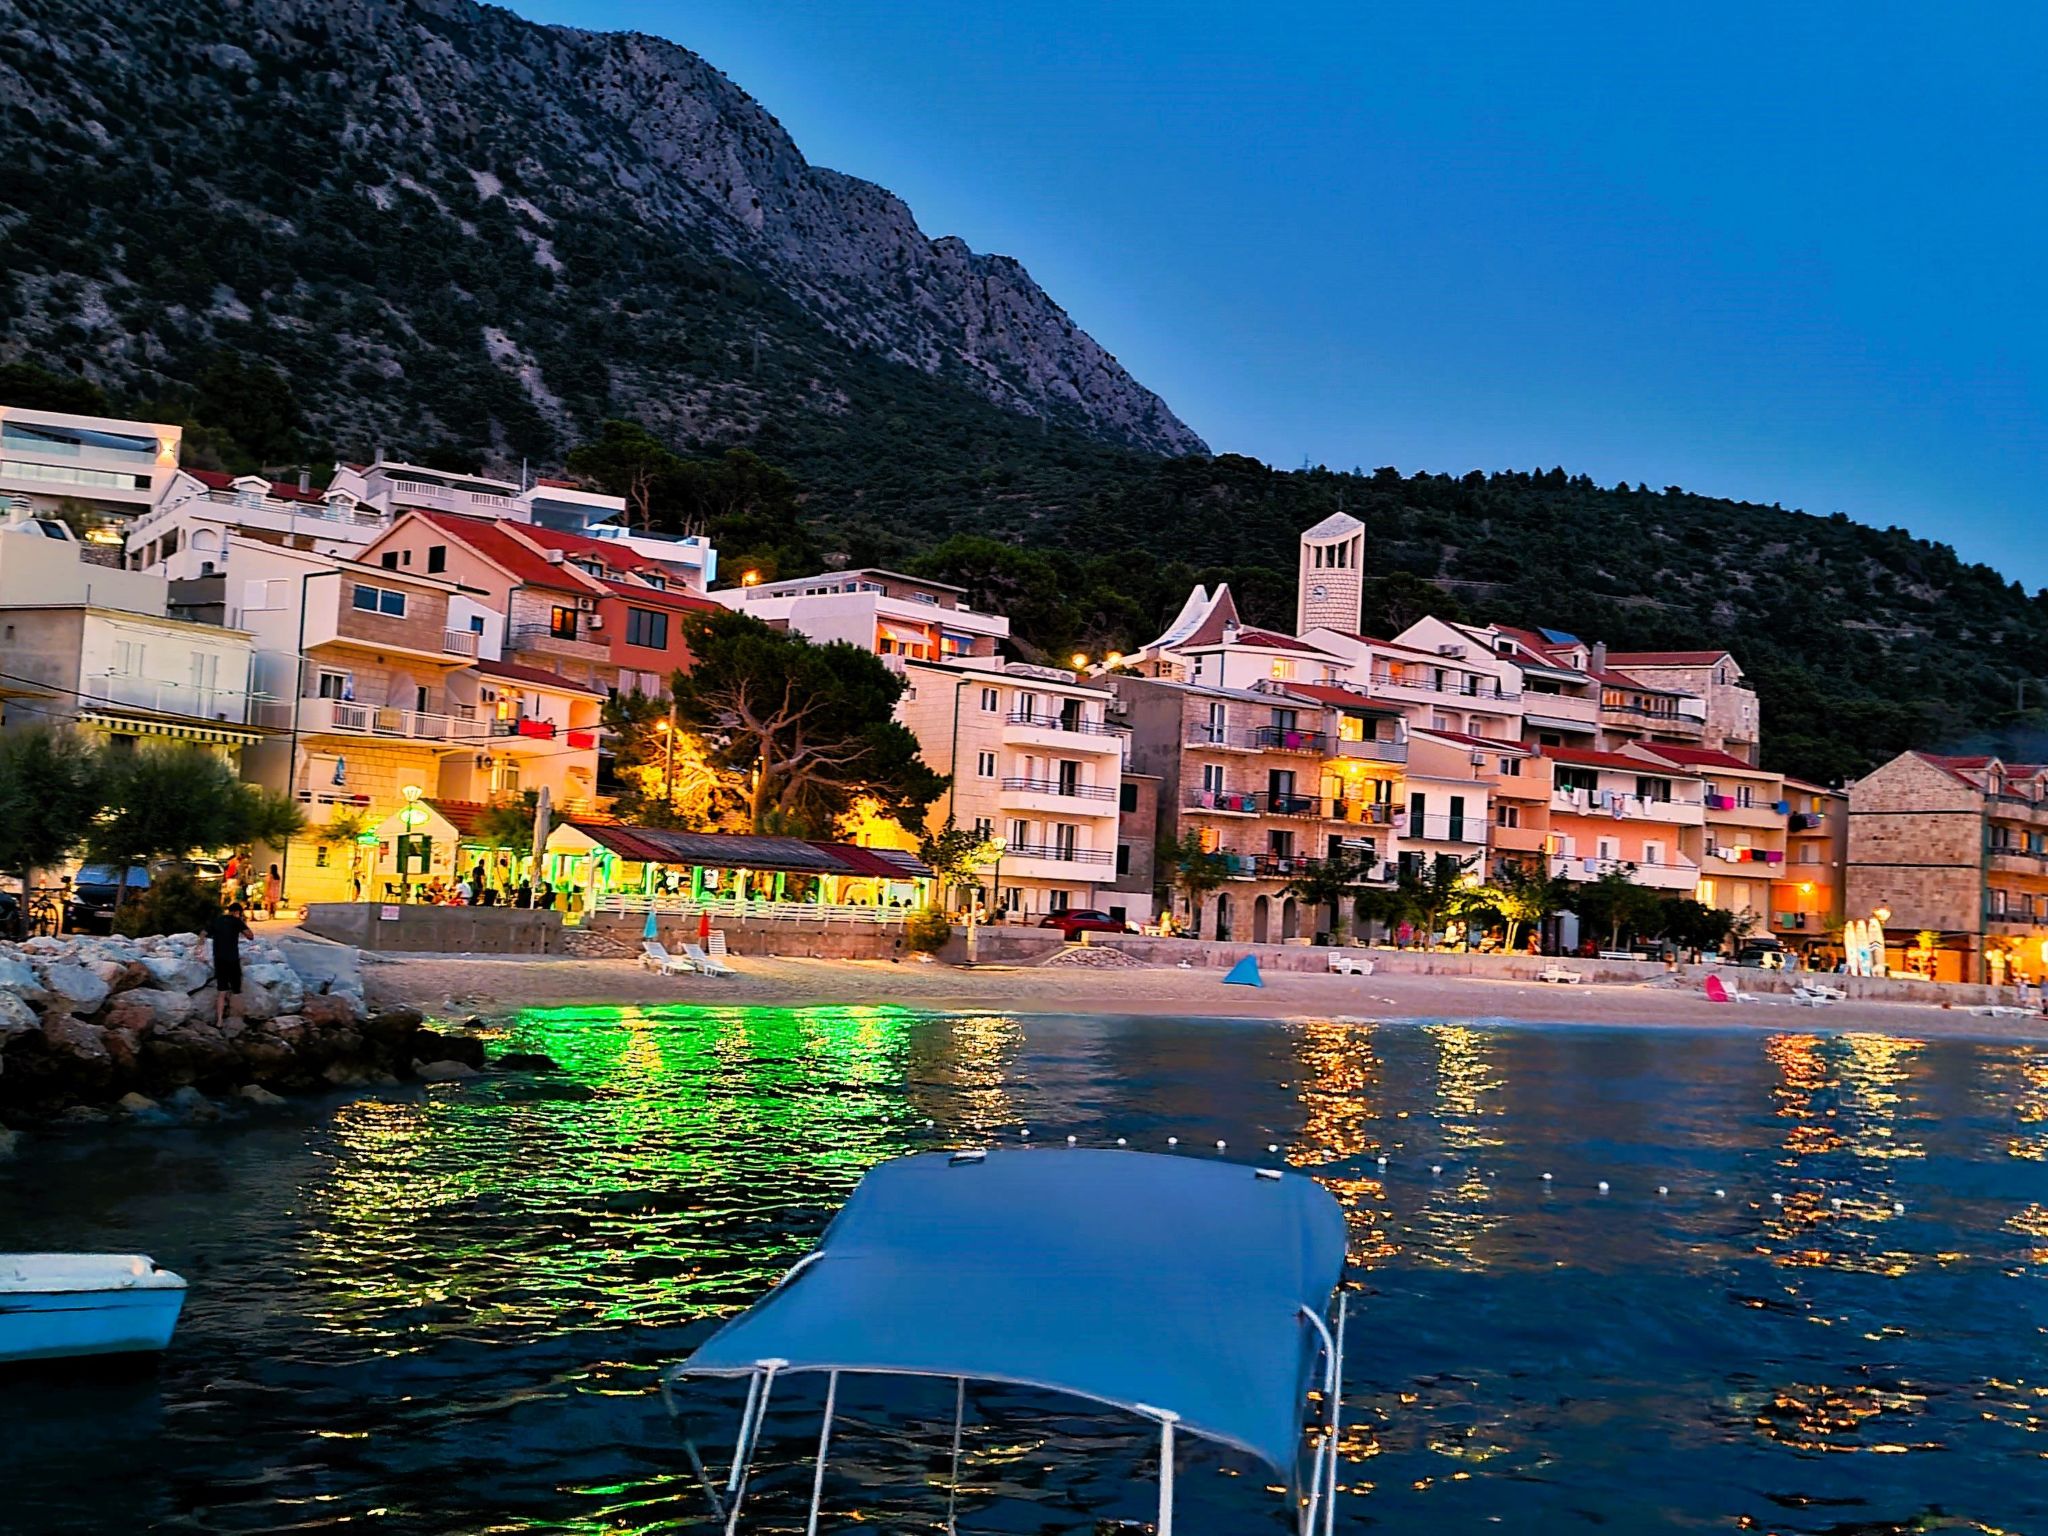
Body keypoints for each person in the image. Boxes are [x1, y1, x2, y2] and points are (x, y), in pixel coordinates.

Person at [209, 902, 254, 1029]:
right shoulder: (237, 921)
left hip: (219, 960)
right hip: (232, 960)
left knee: (221, 992)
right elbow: (250, 936)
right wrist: (242, 923)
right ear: (238, 912)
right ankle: (237, 1020)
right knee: (236, 991)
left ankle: (219, 1021)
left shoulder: (217, 920)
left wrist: (199, 946)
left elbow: (203, 933)